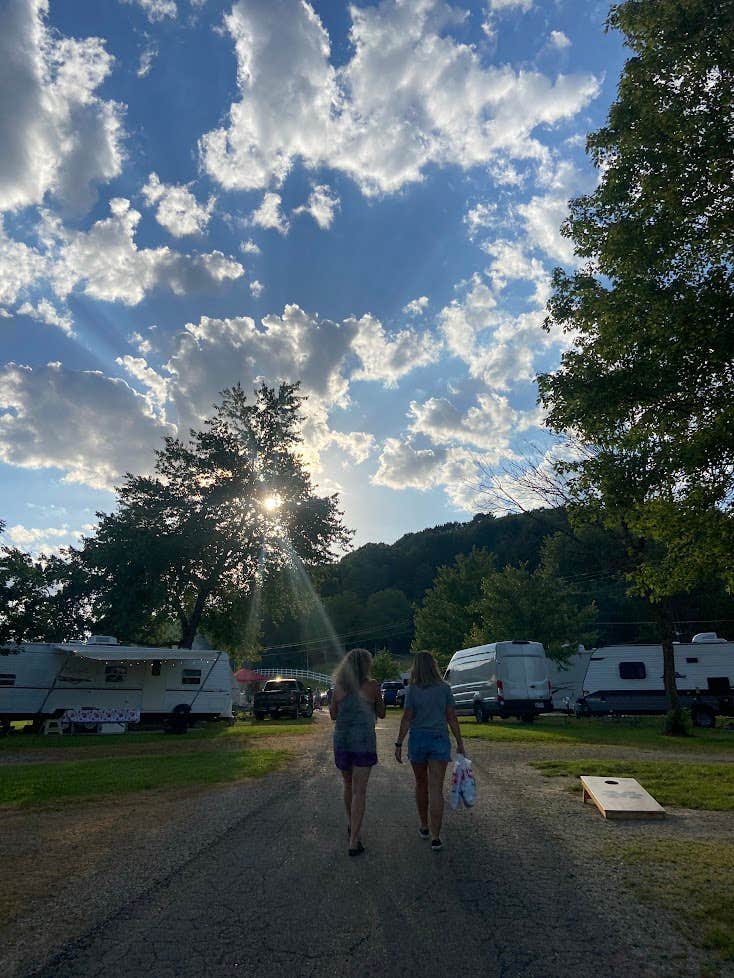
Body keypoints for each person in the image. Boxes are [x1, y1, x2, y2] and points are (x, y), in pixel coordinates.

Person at [394, 650, 464, 852]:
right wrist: (459, 742)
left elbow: (407, 718)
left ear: (416, 667)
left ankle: (424, 825)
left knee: (421, 784)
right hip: (439, 739)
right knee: (436, 789)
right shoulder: (444, 689)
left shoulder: (412, 690)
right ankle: (436, 836)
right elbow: (451, 717)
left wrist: (399, 743)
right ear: (434, 666)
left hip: (418, 740)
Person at [329, 648, 385, 856]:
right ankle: (354, 840)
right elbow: (382, 713)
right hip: (363, 740)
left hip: (342, 739)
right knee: (359, 791)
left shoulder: (339, 687)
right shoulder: (372, 686)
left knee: (348, 785)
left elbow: (333, 715)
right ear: (366, 665)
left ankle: (352, 825)